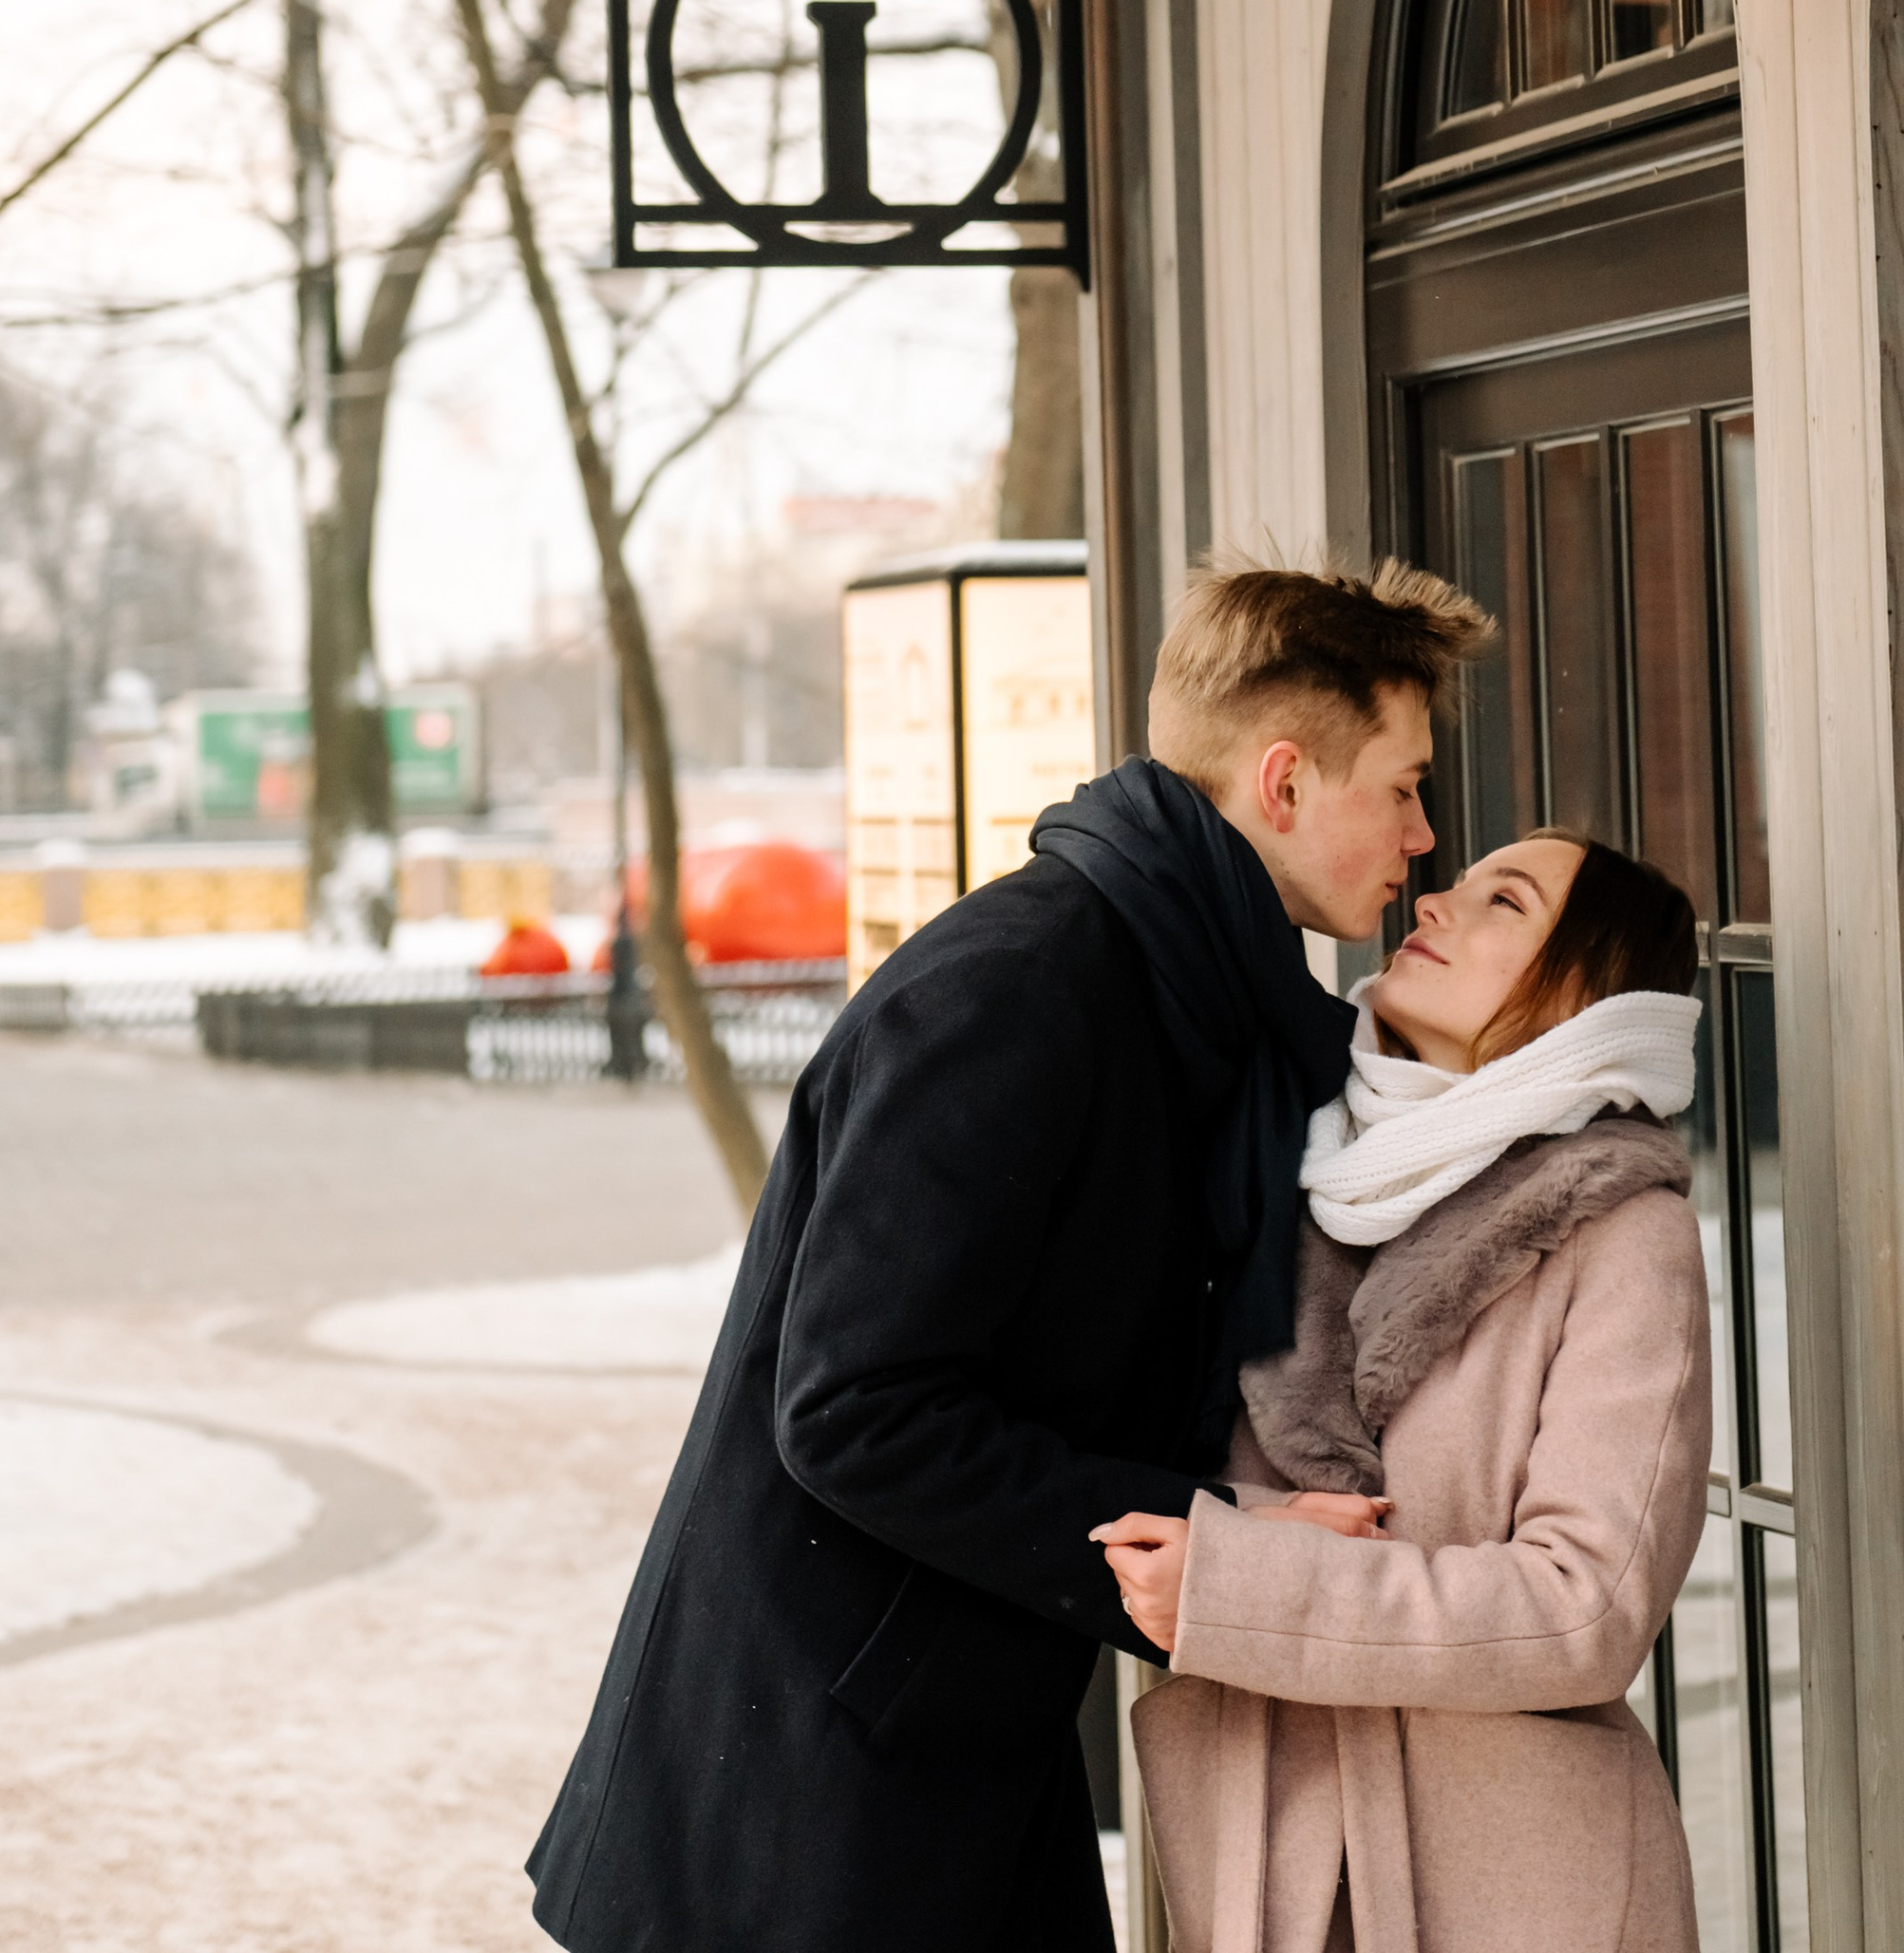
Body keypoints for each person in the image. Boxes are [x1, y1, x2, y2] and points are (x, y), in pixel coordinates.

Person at [527, 554, 1487, 1953]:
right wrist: (1202, 1526)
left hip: (950, 1743)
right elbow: (851, 1409)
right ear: (1284, 782)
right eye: (1402, 784)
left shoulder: (1184, 995)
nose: (1422, 834)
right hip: (808, 1801)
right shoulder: (1021, 989)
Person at [1101, 828, 1709, 1953]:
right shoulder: (1291, 1172)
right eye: (1458, 881)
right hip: (1272, 1860)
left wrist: (1249, 1590)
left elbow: (1587, 1605)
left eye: (1502, 902)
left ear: (1584, 990)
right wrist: (1229, 1542)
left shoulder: (1624, 1230)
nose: (1434, 900)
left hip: (1515, 1890)